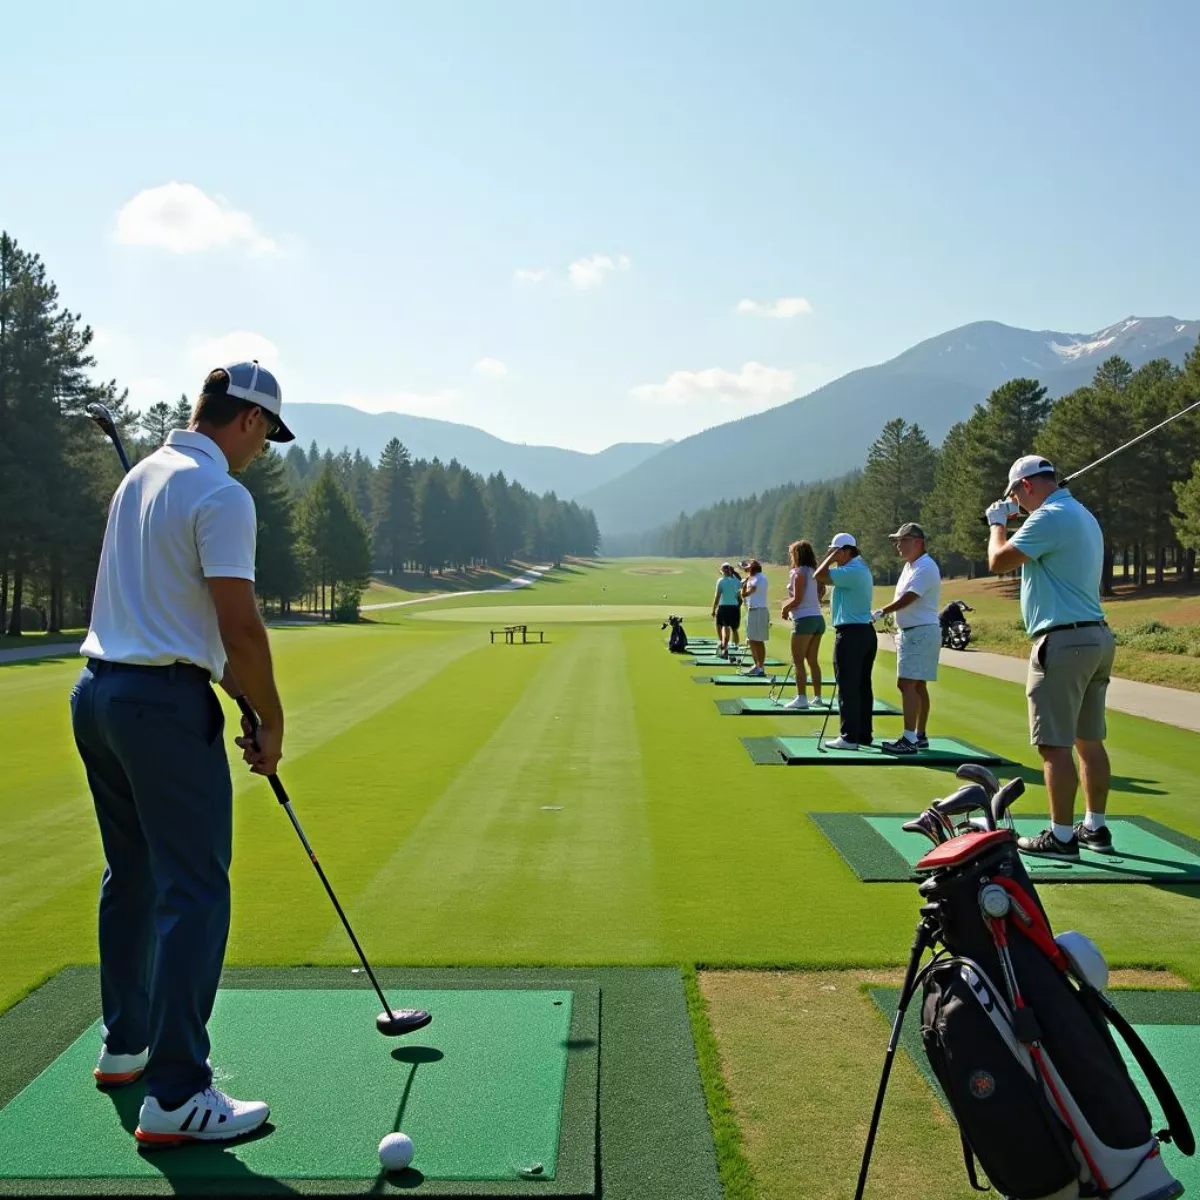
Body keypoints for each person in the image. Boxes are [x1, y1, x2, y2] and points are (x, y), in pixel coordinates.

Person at [71, 362, 293, 1146]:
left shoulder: (140, 481)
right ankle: (178, 1093)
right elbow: (240, 626)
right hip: (161, 709)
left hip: (98, 696)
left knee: (130, 877)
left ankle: (125, 1044)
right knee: (194, 891)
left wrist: (234, 691)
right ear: (250, 422)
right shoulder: (223, 495)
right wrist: (269, 714)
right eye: (267, 436)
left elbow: (179, 621)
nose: (263, 452)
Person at [987, 455, 1116, 861]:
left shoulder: (1048, 517)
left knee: (1053, 745)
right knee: (1088, 740)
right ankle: (1095, 828)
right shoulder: (1082, 514)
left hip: (1063, 642)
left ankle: (1061, 837)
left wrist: (996, 522)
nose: (1014, 503)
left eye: (1013, 496)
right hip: (1096, 636)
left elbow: (998, 560)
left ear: (1026, 486)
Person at [871, 523, 942, 754]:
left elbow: (910, 597)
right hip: (915, 631)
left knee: (907, 684)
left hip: (920, 632)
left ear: (917, 542)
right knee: (918, 685)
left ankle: (910, 739)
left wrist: (882, 611)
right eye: (897, 541)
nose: (898, 545)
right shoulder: (911, 566)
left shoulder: (925, 566)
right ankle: (919, 735)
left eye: (902, 540)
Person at [814, 533, 876, 748]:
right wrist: (833, 557)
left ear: (846, 550)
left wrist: (829, 558)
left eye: (835, 551)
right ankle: (863, 735)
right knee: (860, 686)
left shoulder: (852, 570)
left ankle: (849, 736)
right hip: (863, 632)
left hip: (852, 634)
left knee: (848, 685)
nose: (832, 555)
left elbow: (818, 575)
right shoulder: (855, 569)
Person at [779, 540, 826, 709]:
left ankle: (801, 698)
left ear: (797, 554)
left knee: (798, 660)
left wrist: (785, 607)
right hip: (818, 619)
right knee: (812, 660)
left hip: (804, 620)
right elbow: (822, 590)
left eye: (792, 553)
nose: (791, 556)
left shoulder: (798, 572)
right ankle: (818, 697)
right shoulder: (815, 571)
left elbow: (797, 599)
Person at [739, 559, 770, 676]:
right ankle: (757, 666)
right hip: (756, 610)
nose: (746, 570)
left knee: (756, 640)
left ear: (752, 569)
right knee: (752, 640)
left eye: (748, 568)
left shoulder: (756, 579)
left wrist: (743, 587)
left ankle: (760, 667)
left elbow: (747, 593)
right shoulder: (760, 577)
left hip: (757, 611)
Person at [710, 562, 743, 657]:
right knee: (734, 629)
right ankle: (736, 647)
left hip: (724, 607)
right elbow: (740, 596)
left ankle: (724, 647)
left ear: (722, 571)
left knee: (724, 627)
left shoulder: (721, 581)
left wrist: (713, 610)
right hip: (735, 607)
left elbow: (717, 597)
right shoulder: (737, 581)